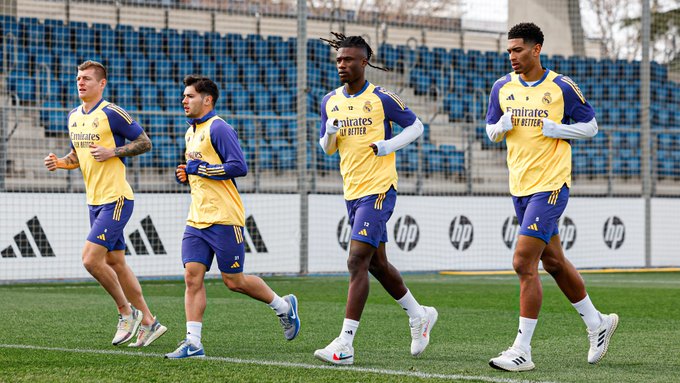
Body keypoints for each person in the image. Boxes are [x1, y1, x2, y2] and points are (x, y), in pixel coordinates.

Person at [485, 22, 618, 371]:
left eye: (518, 50)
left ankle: (522, 350)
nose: (512, 56)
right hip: (520, 188)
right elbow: (490, 130)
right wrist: (500, 128)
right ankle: (597, 323)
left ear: (536, 49)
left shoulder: (561, 86)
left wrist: (559, 129)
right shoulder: (501, 87)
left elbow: (591, 126)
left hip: (552, 184)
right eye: (509, 50)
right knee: (554, 262)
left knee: (522, 263)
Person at [314, 32, 437, 366]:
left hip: (379, 189)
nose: (342, 64)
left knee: (356, 262)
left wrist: (387, 146)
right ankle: (419, 314)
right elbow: (326, 148)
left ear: (363, 62)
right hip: (352, 192)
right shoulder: (330, 101)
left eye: (349, 59)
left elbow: (416, 127)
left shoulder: (382, 98)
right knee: (378, 265)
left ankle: (345, 344)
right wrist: (331, 132)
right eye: (339, 59)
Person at [164, 75, 300, 359]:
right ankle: (193, 343)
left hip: (225, 217)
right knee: (192, 277)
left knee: (233, 280)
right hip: (196, 219)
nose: (184, 100)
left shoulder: (219, 128)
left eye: (189, 96)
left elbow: (238, 166)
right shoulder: (191, 132)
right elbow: (200, 170)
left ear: (207, 100)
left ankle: (284, 307)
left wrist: (197, 169)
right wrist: (186, 174)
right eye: (184, 96)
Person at [44, 60, 167, 347]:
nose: (80, 82)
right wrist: (61, 163)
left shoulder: (112, 113)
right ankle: (149, 321)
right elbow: (78, 155)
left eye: (86, 78)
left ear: (102, 84)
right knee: (116, 263)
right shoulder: (73, 116)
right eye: (78, 78)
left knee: (90, 259)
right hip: (94, 201)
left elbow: (145, 142)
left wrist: (113, 151)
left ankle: (126, 312)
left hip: (117, 199)